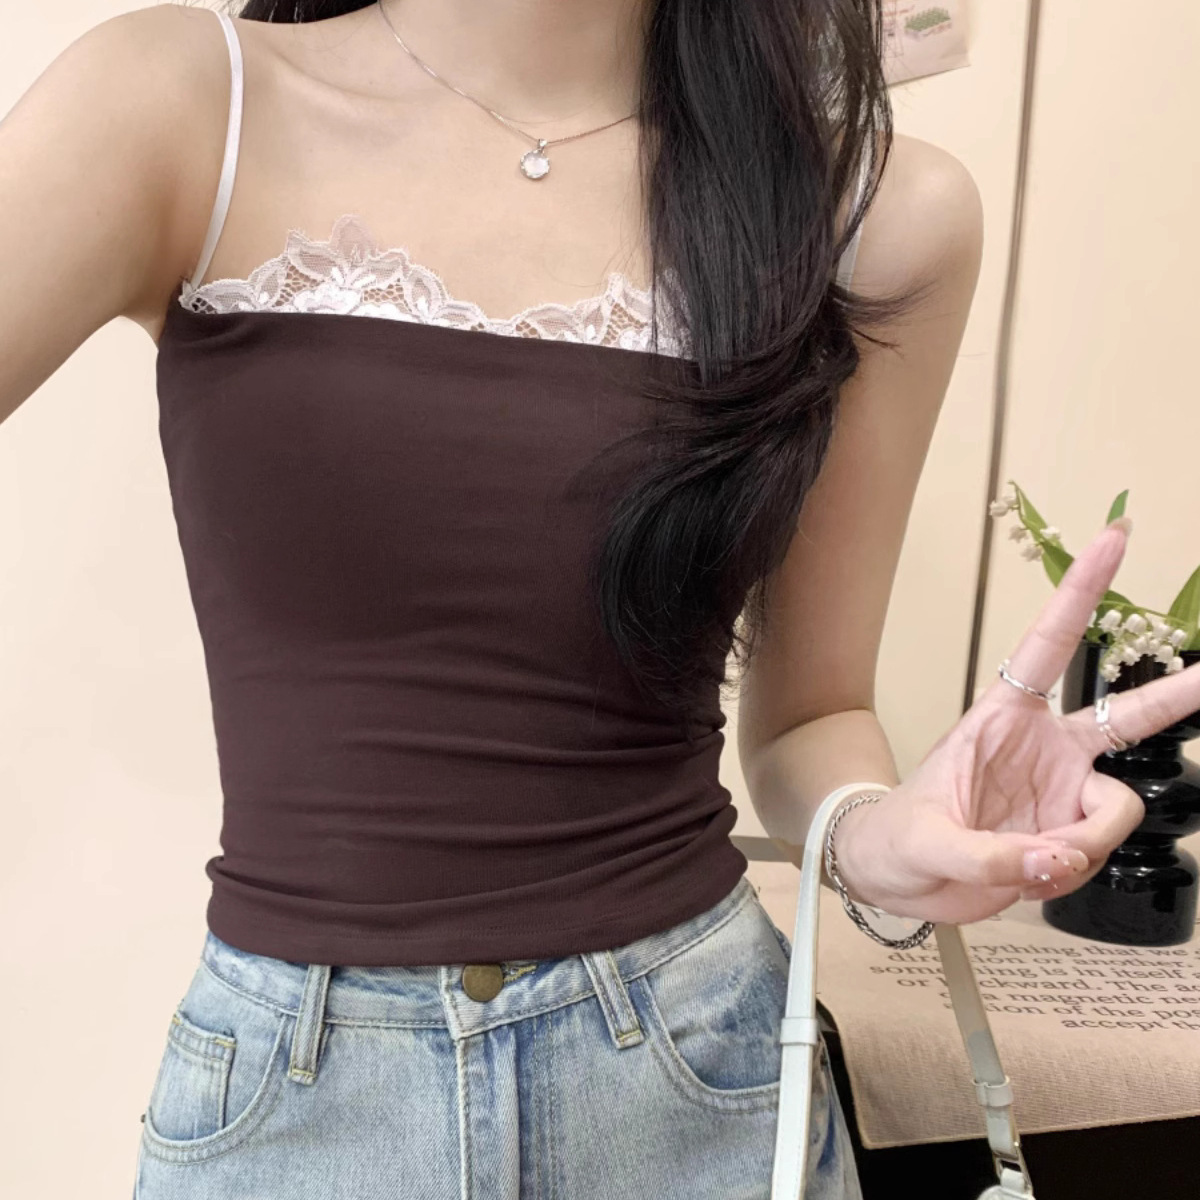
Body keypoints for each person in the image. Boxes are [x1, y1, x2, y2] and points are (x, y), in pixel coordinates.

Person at [2, 2, 1195, 1197]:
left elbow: (811, 714)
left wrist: (874, 835)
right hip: (295, 1102)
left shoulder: (872, 213)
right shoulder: (182, 103)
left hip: (696, 1080)